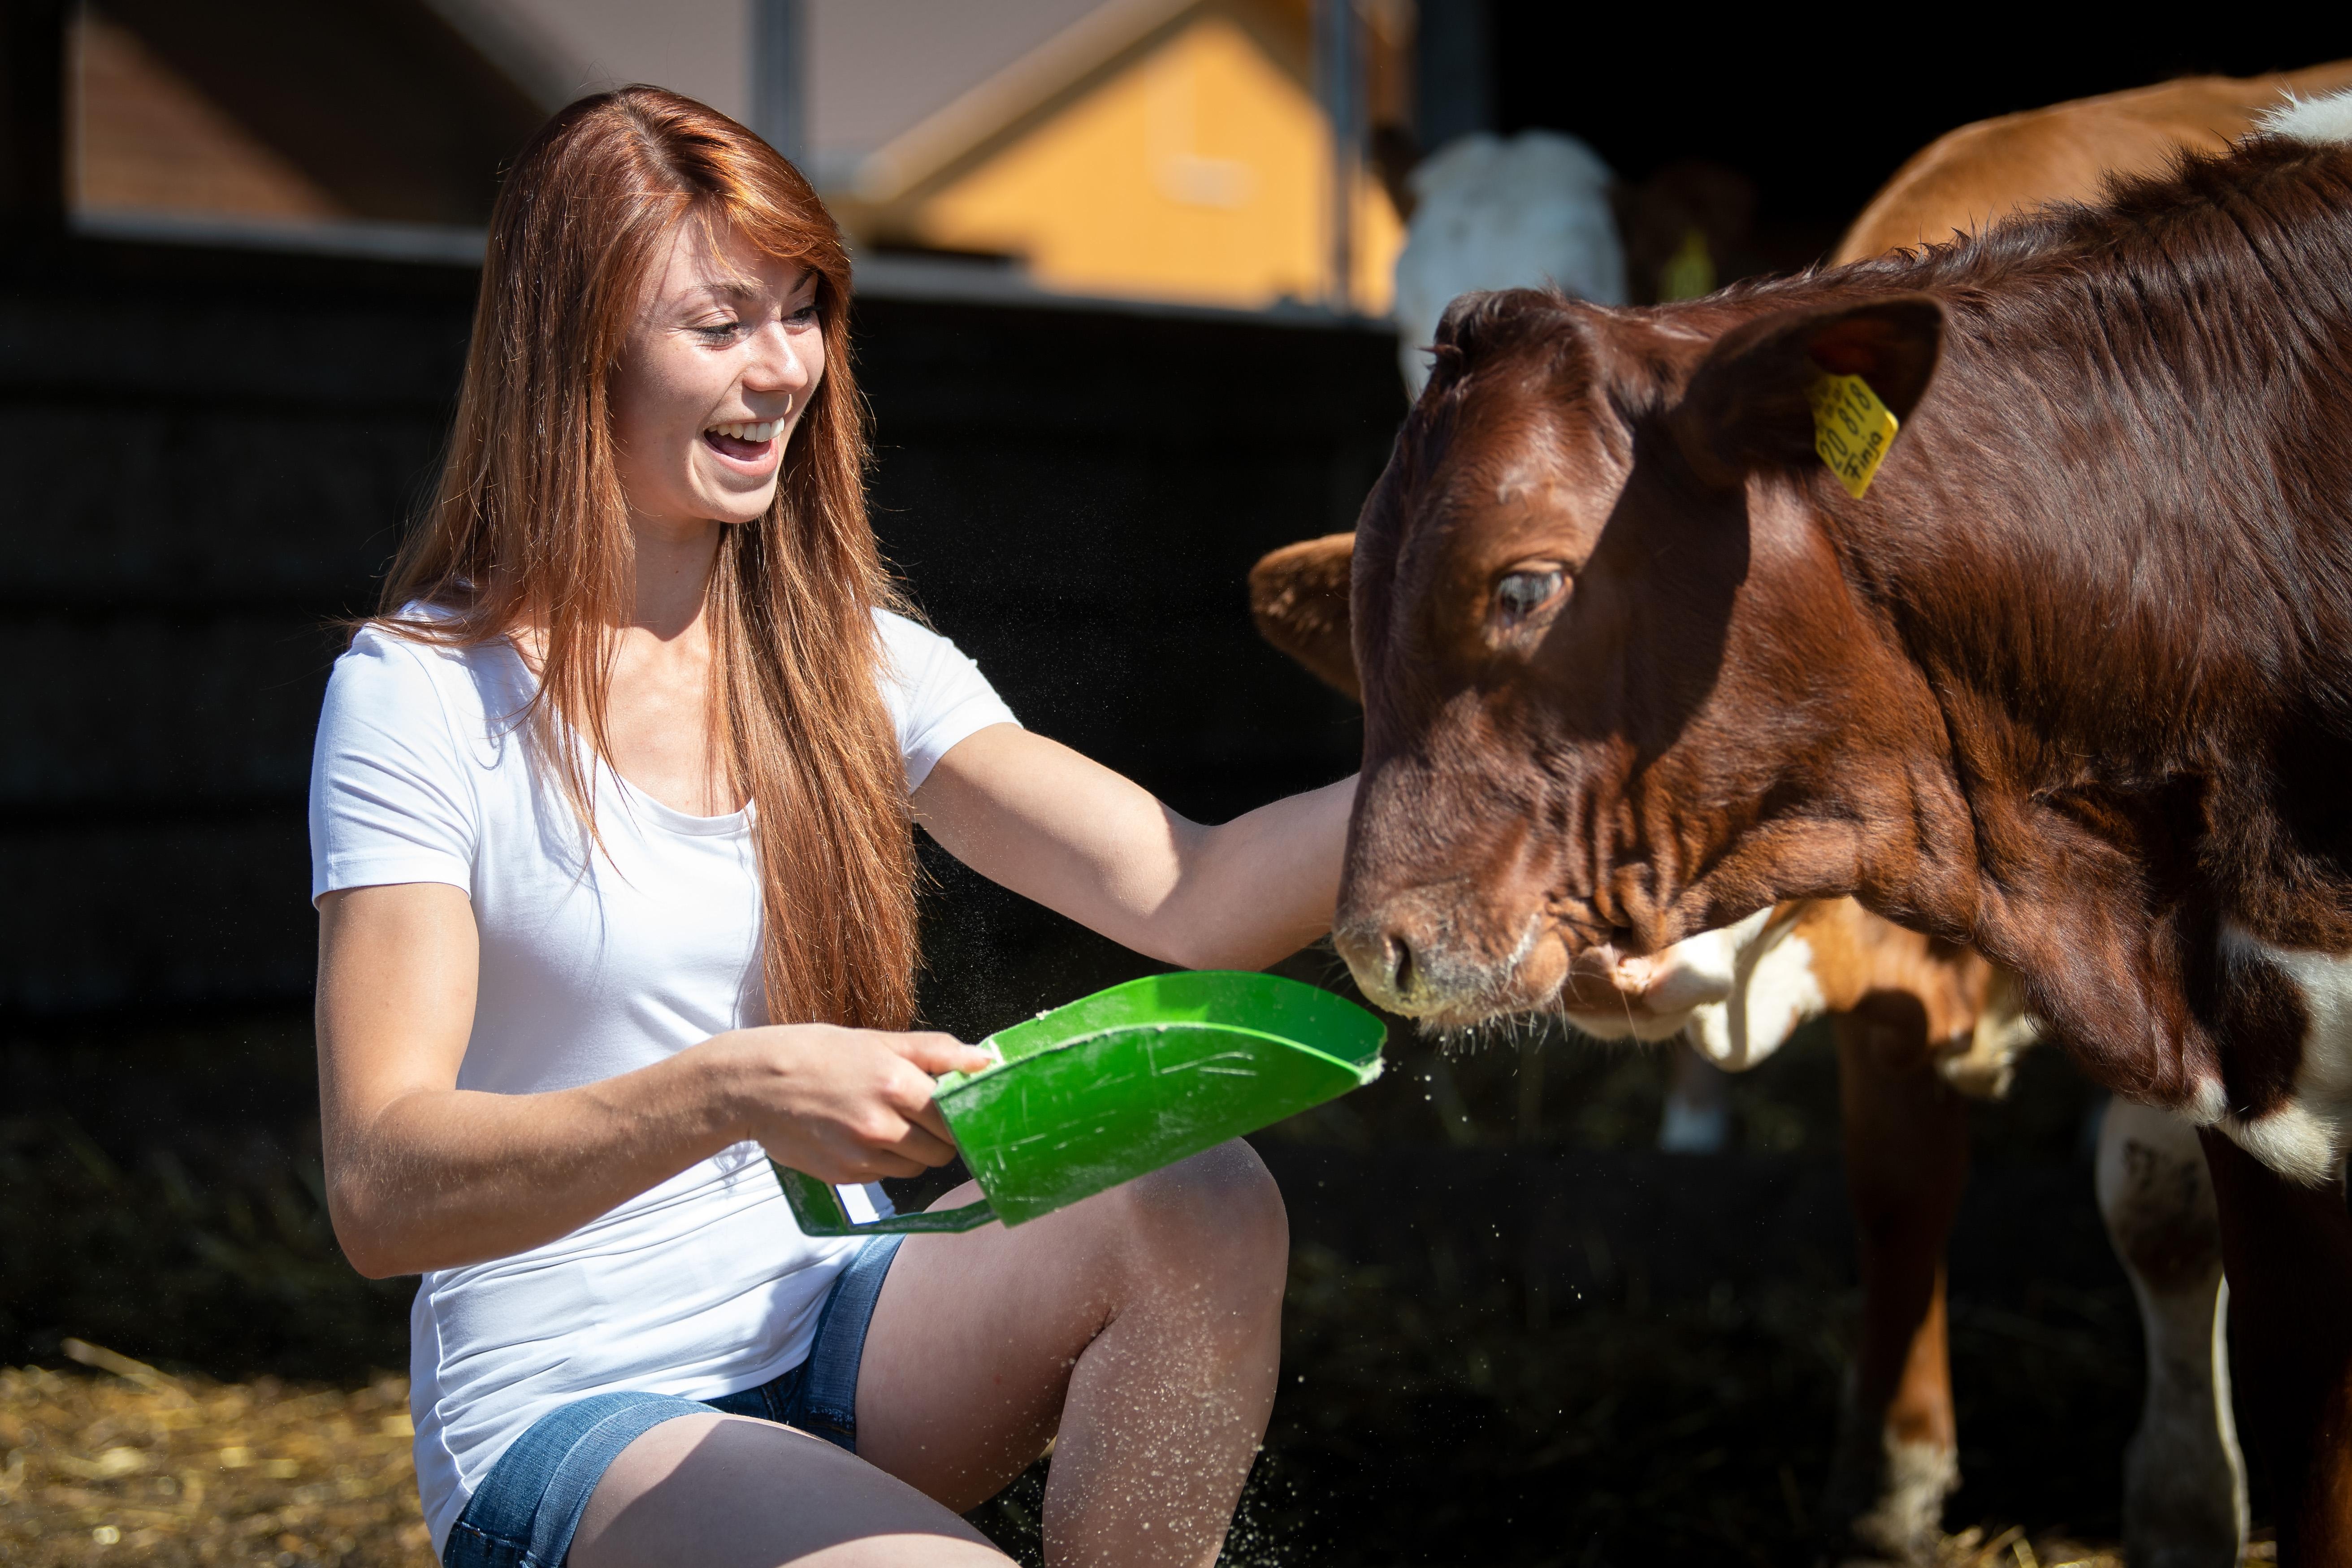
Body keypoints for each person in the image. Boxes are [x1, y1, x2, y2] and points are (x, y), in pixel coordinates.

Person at [308, 87, 1353, 1568]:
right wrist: (733, 1088)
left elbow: (1190, 888)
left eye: (803, 312)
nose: (784, 366)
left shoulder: (844, 658)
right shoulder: (421, 694)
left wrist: (1509, 789)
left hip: (839, 1320)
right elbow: (380, 1185)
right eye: (721, 323)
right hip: (570, 1408)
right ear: (575, 349)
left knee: (1201, 1203)